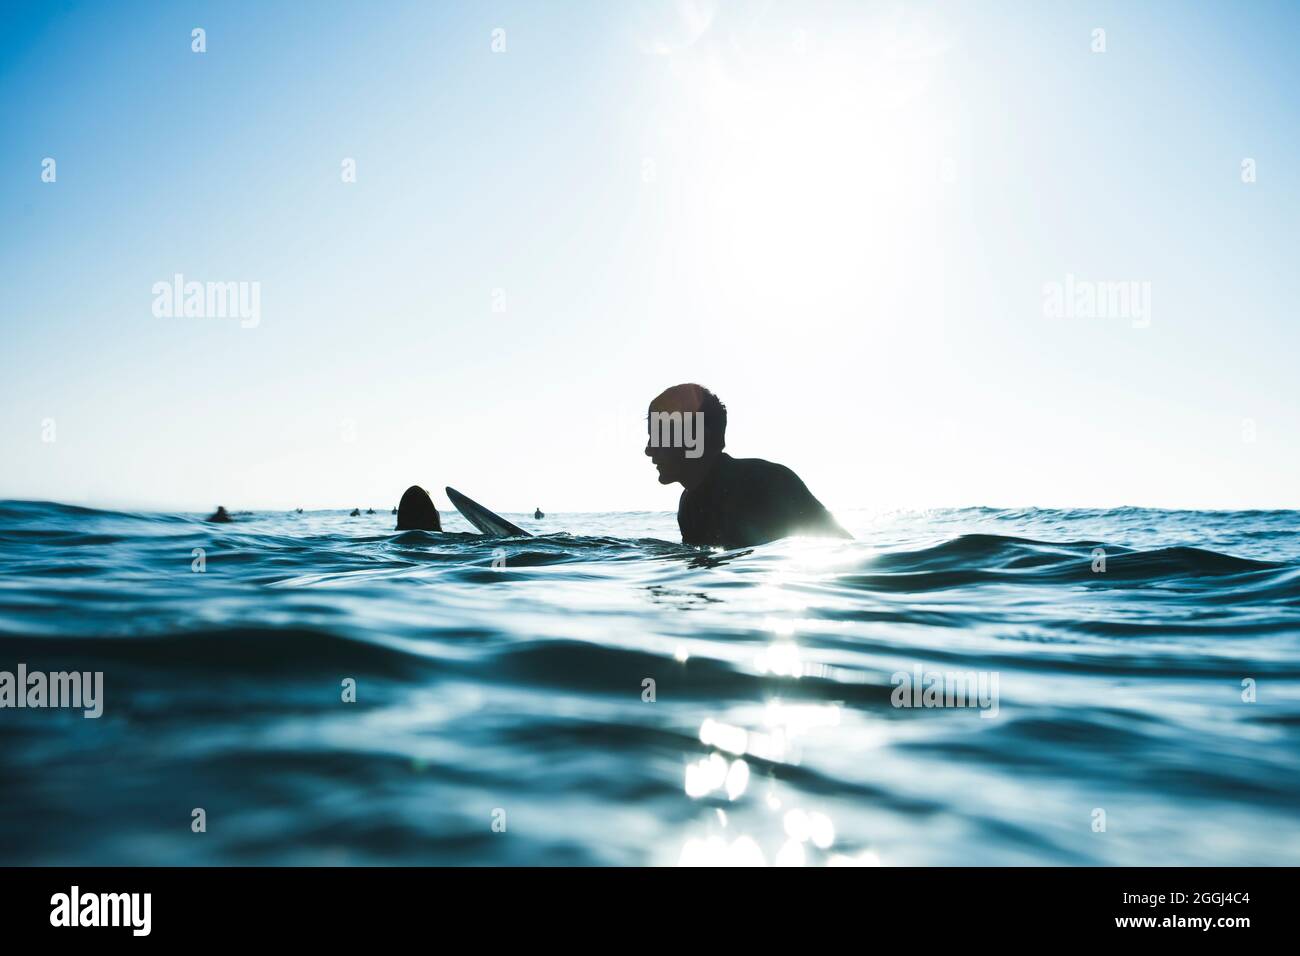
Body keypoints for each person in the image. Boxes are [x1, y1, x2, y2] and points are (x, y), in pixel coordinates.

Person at [644, 383, 850, 549]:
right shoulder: (689, 504)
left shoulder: (765, 481)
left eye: (659, 437)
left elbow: (841, 547)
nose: (649, 450)